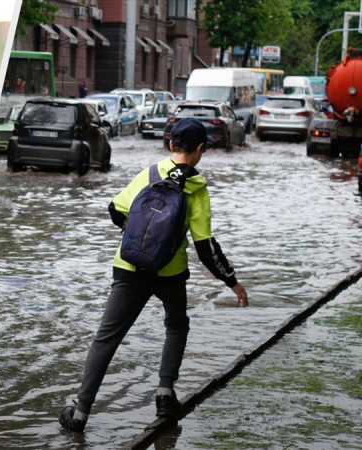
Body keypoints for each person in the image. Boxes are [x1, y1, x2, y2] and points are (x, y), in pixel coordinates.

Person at [59, 118, 249, 432]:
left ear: (172, 144)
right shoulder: (197, 189)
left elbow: (115, 209)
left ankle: (79, 414)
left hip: (130, 266)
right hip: (170, 272)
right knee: (176, 324)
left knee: (106, 339)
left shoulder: (148, 175)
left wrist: (141, 235)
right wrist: (232, 281)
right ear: (200, 149)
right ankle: (164, 394)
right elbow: (205, 248)